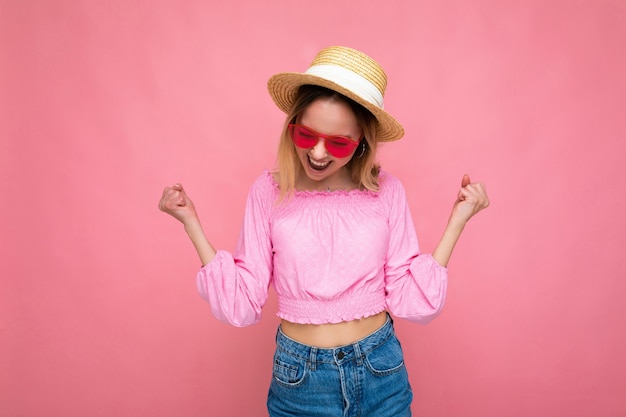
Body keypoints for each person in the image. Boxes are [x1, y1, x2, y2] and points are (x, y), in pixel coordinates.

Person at [158, 46, 489, 416]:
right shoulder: (268, 191)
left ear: (362, 140)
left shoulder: (386, 191)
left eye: (338, 142)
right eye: (306, 136)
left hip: (381, 368)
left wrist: (458, 219)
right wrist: (191, 223)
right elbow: (243, 299)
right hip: (300, 378)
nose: (317, 153)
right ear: (292, 127)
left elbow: (410, 297)